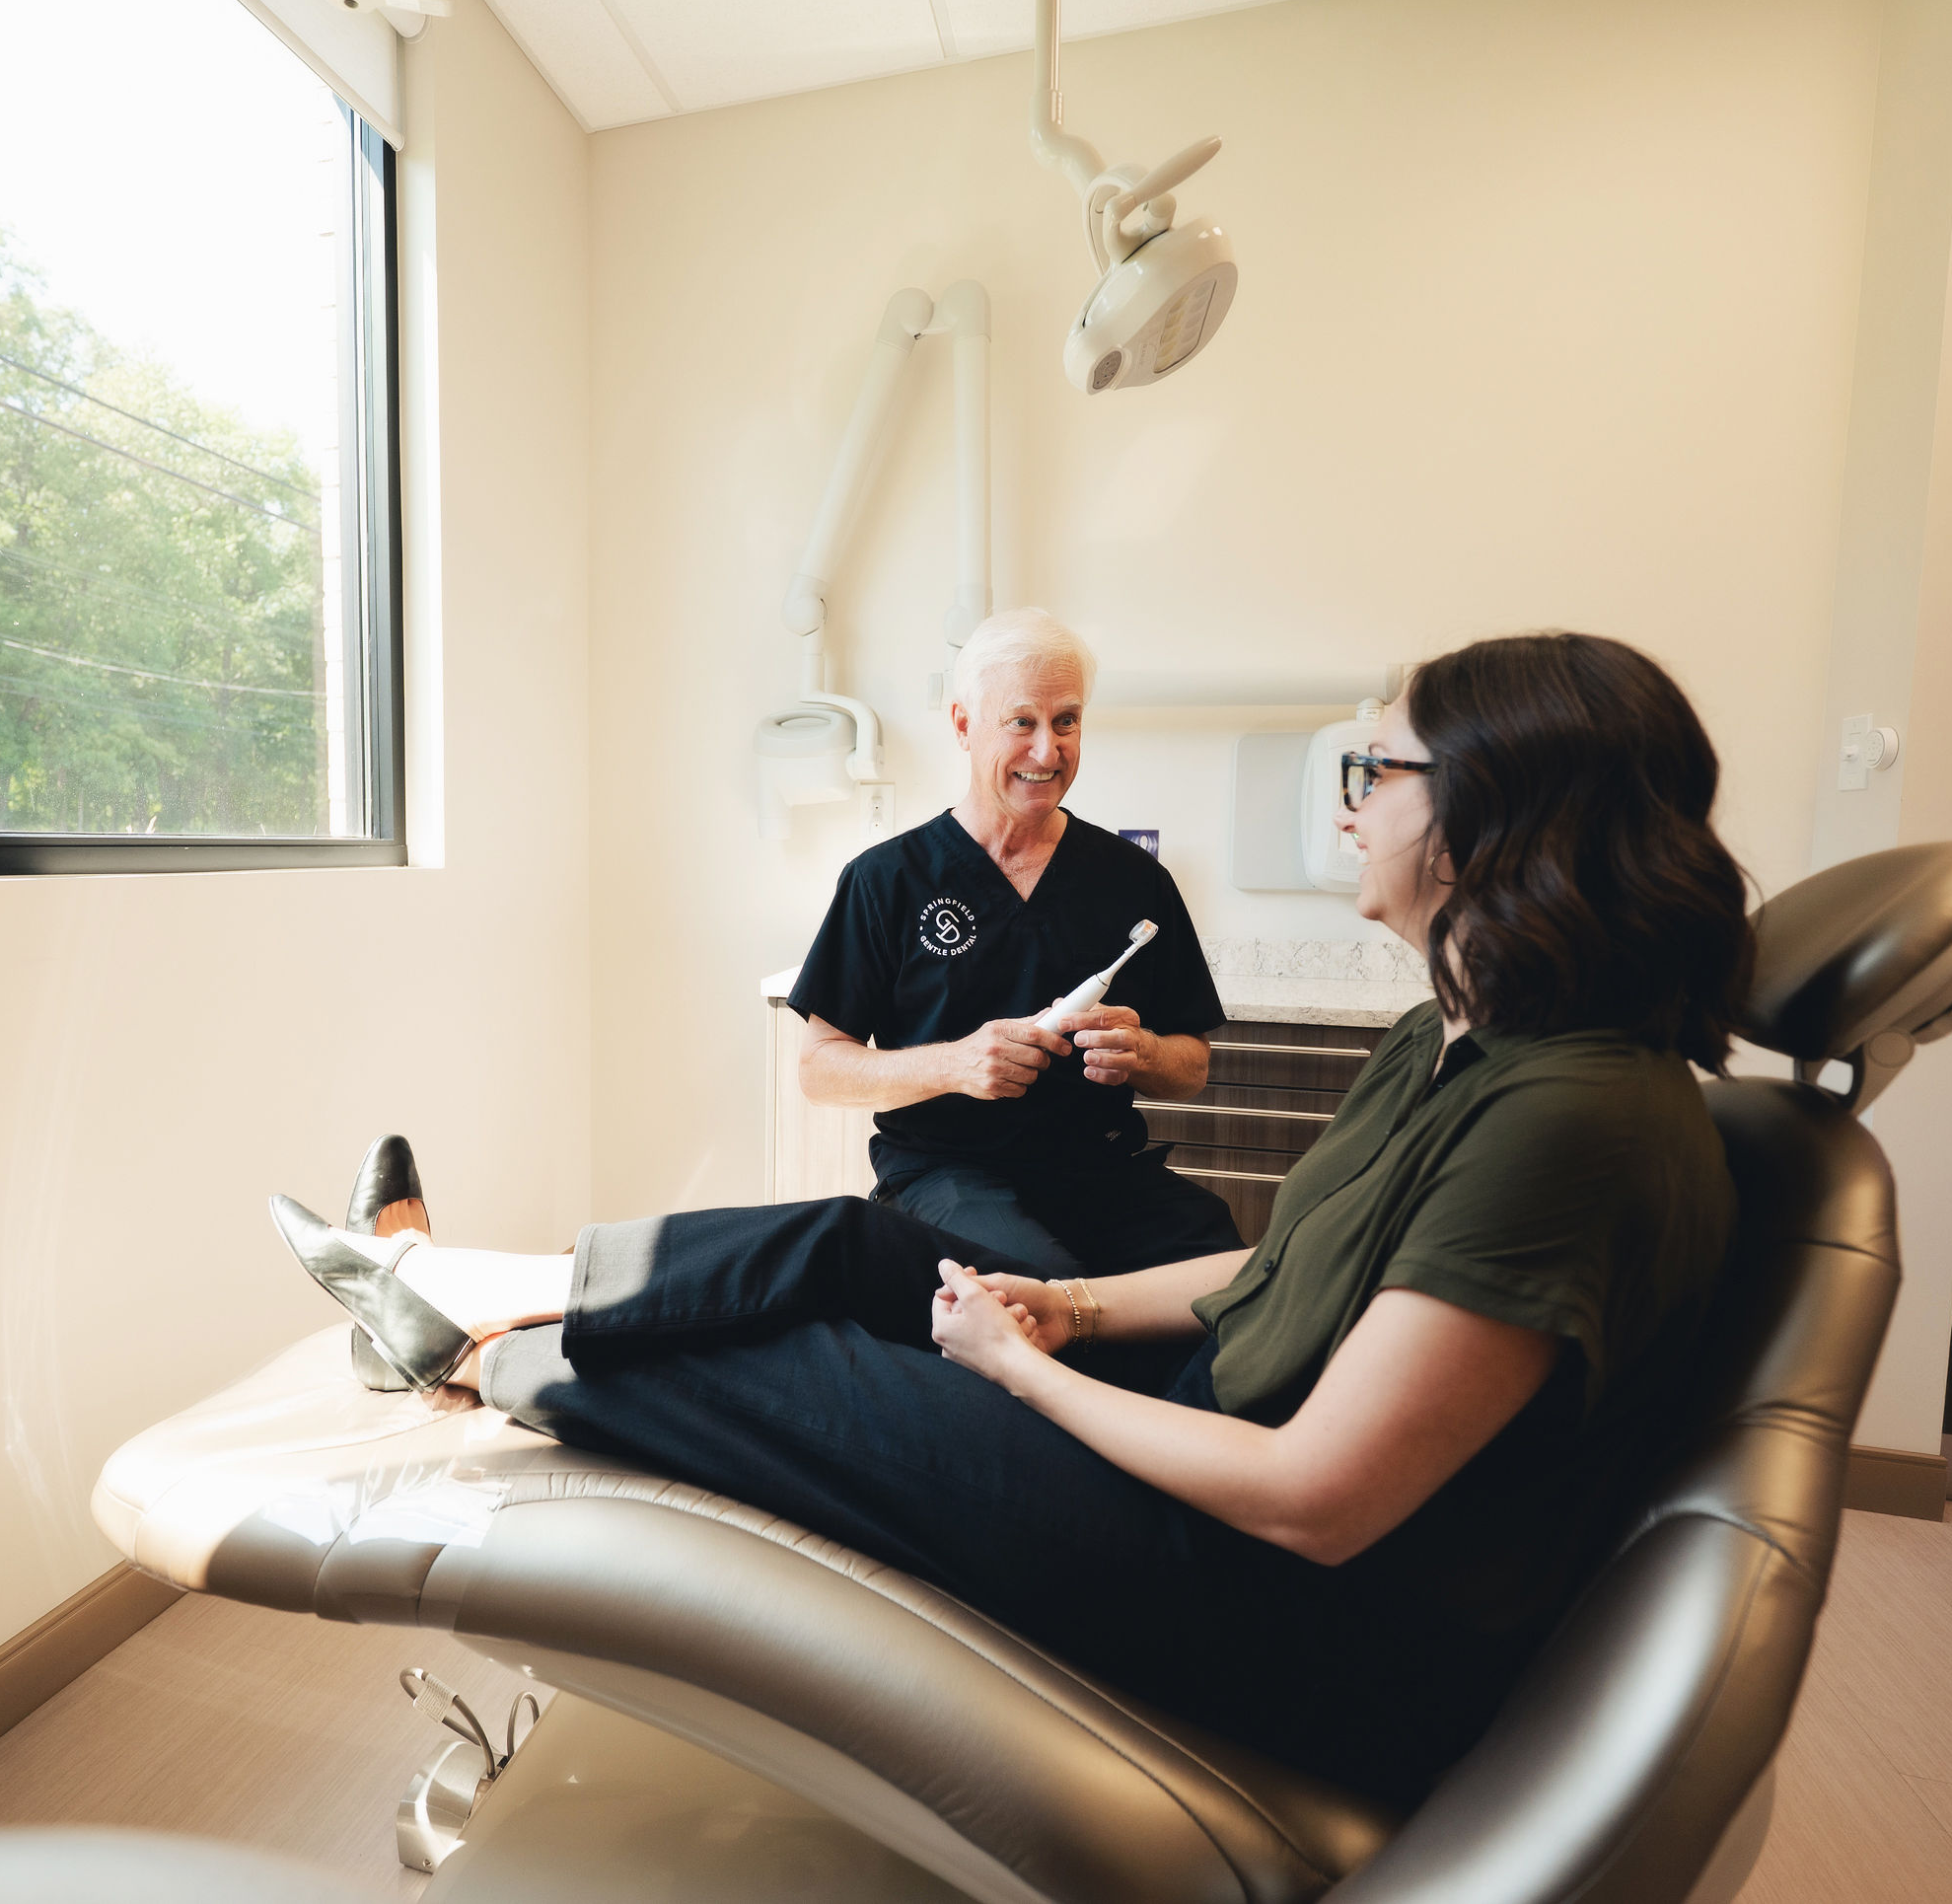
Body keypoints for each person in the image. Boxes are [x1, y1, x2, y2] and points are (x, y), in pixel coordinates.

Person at [275, 632, 1752, 1803]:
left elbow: (1316, 1498)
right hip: (1162, 1382)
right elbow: (1295, 1262)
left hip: (1259, 1597)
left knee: (802, 1376)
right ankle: (448, 1286)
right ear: (967, 728)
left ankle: (450, 1346)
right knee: (854, 1250)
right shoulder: (1466, 1046)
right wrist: (1081, 1312)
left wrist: (1020, 1368)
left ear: (1500, 813)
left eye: (1380, 765)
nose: (1352, 802)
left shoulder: (1572, 1121)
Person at [789, 606, 1243, 1282]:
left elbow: (1192, 1067)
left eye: (1066, 721)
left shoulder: (1134, 881)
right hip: (947, 1177)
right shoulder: (887, 881)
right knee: (1040, 1286)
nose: (1047, 751)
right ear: (964, 725)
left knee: (1226, 1279)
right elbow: (820, 1069)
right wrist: (956, 1066)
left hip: (1102, 1173)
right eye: (1021, 722)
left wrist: (1142, 1053)